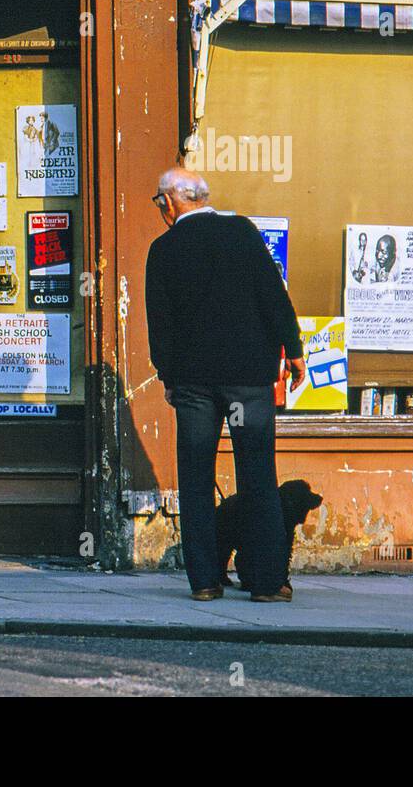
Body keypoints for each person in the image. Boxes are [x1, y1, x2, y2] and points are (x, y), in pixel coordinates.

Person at [145, 167, 306, 603]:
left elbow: (159, 325)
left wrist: (169, 376)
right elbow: (274, 296)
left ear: (171, 203)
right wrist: (294, 352)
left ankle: (204, 582)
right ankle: (269, 583)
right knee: (257, 475)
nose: (162, 210)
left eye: (160, 202)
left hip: (194, 383)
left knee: (195, 479)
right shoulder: (242, 233)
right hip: (248, 380)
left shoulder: (163, 250)